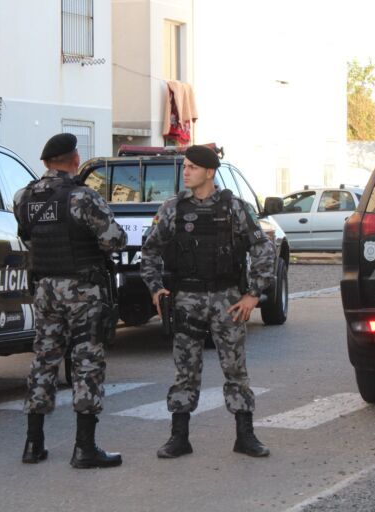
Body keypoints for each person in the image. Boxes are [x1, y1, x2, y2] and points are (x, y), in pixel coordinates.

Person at [141, 144, 275, 458]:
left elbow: (263, 250)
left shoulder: (235, 208)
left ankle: (245, 436)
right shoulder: (173, 208)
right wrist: (156, 289)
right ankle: (179, 438)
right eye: (185, 166)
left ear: (210, 172)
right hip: (186, 299)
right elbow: (150, 250)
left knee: (235, 369)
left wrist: (253, 294)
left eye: (192, 167)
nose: (185, 172)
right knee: (185, 370)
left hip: (227, 298)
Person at [13, 133, 127, 469]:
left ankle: (33, 444)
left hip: (44, 289)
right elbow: (114, 240)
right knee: (87, 362)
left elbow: (28, 237)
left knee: (44, 360)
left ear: (46, 162)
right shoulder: (83, 197)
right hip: (82, 290)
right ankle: (85, 448)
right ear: (75, 159)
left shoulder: (23, 197)